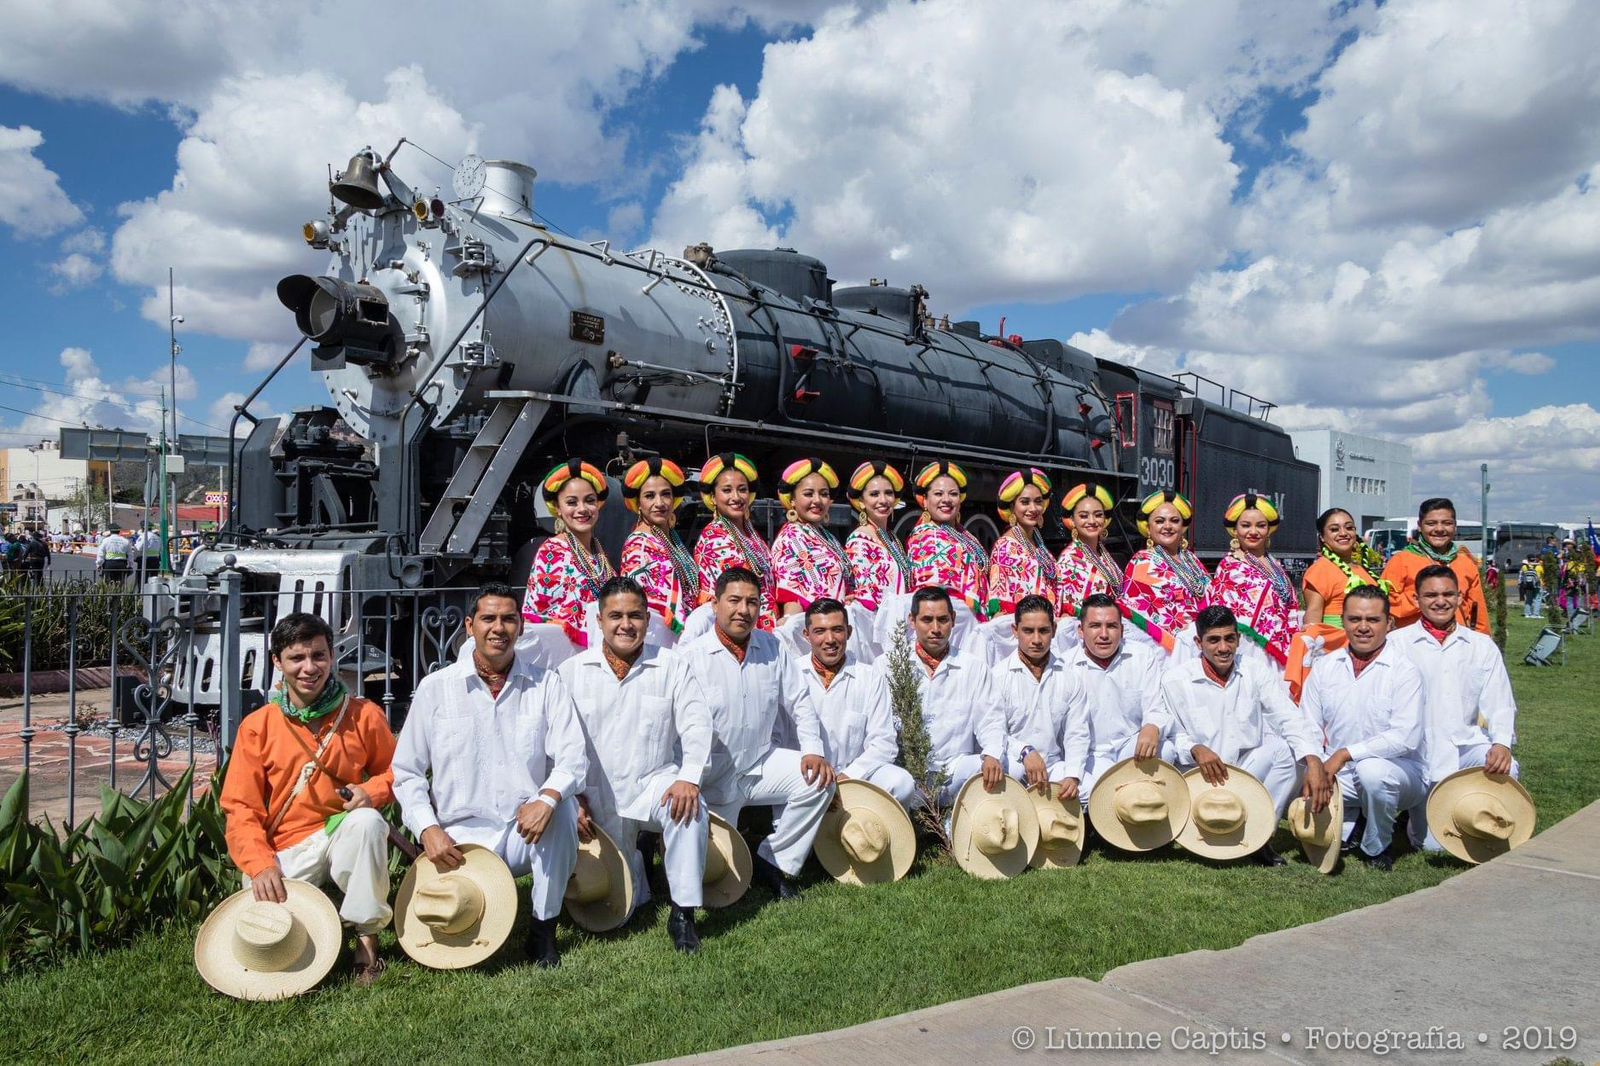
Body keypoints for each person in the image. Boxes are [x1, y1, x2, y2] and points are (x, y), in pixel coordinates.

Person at [393, 583, 588, 968]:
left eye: (509, 619)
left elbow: (573, 758)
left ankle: (542, 929)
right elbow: (406, 772)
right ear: (470, 626)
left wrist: (547, 799)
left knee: (562, 809)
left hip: (523, 830)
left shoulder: (546, 684)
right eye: (488, 618)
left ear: (521, 627)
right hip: (458, 839)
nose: (499, 628)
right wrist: (427, 828)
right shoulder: (436, 689)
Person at [219, 611, 396, 986]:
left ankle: (367, 942)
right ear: (277, 662)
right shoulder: (259, 726)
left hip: (341, 830)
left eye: (318, 656)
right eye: (297, 658)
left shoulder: (363, 715)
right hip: (285, 846)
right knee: (273, 930)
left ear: (332, 658)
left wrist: (371, 792)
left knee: (367, 823)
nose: (309, 668)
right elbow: (241, 808)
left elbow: (398, 773)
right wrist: (260, 864)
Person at [559, 577, 713, 953]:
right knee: (623, 908)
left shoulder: (672, 665)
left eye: (635, 616)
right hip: (595, 798)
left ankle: (683, 914)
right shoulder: (571, 672)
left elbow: (696, 724)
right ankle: (640, 864)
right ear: (599, 621)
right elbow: (556, 745)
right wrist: (572, 798)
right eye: (616, 616)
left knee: (690, 811)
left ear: (648, 620)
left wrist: (689, 778)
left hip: (652, 784)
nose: (625, 624)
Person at [680, 567, 836, 900]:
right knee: (714, 871)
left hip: (762, 762)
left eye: (752, 602)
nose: (743, 610)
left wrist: (812, 749)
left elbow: (800, 703)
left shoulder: (772, 647)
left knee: (820, 780)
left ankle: (774, 860)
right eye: (734, 600)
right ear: (715, 605)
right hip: (713, 776)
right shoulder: (691, 657)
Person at [1160, 604, 1331, 866]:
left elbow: (1287, 716)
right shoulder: (1175, 680)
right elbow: (1172, 734)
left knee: (1287, 751)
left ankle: (1260, 835)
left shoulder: (1254, 670)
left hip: (1248, 771)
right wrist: (1195, 748)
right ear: (1198, 642)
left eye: (1230, 638)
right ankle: (1209, 829)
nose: (1223, 648)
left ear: (1239, 639)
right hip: (1200, 774)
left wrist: (1314, 760)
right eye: (1213, 640)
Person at [1391, 564, 1519, 850]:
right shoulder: (1397, 644)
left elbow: (1500, 701)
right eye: (1431, 595)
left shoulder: (1481, 645)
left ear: (1460, 598)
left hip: (1465, 749)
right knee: (1433, 847)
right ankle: (1414, 819)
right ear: (1417, 599)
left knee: (1508, 769)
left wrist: (1502, 743)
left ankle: (1481, 817)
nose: (1440, 601)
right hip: (1417, 755)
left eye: (1448, 594)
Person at [1300, 586, 1427, 871]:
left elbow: (1405, 738)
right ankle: (1349, 821)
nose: (1363, 627)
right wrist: (1314, 763)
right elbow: (1307, 722)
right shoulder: (1326, 666)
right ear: (1342, 621)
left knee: (1373, 772)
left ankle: (1376, 845)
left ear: (1389, 623)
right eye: (1355, 619)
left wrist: (1344, 754)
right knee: (1291, 765)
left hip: (1399, 773)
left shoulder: (1404, 670)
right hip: (1339, 774)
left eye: (1373, 620)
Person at [885, 586, 1006, 806]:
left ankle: (970, 823)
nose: (935, 628)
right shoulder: (887, 666)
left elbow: (991, 720)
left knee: (1010, 769)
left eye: (942, 620)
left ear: (953, 620)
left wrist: (992, 753)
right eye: (927, 620)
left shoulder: (973, 667)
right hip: (908, 773)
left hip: (955, 770)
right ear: (912, 621)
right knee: (893, 781)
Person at [797, 597, 918, 807]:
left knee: (901, 782)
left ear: (849, 632)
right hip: (805, 776)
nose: (830, 639)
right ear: (806, 635)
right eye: (820, 631)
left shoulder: (870, 677)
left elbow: (884, 742)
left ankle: (884, 833)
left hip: (855, 776)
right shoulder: (793, 674)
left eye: (837, 630)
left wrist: (848, 776)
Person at [1068, 593, 1175, 804]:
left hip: (1132, 747)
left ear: (1122, 630)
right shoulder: (1066, 666)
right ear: (1081, 631)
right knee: (1098, 792)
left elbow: (1157, 705)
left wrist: (1153, 726)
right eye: (1095, 626)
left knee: (1167, 750)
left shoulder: (1142, 655)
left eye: (1112, 626)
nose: (1104, 634)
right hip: (1092, 754)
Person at [1283, 508, 1391, 703]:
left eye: (1348, 527)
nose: (1343, 533)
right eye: (1334, 529)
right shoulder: (1320, 570)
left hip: (1370, 648)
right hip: (1338, 654)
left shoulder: (1362, 569)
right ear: (1323, 538)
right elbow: (1313, 623)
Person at [997, 595, 1090, 806]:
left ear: (1054, 630)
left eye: (1044, 631)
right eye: (1028, 631)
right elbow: (993, 732)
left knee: (1089, 790)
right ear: (1015, 630)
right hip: (1014, 766)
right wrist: (1024, 751)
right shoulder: (998, 677)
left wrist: (1072, 775)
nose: (1037, 640)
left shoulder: (1069, 677)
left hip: (1053, 767)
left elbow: (1078, 733)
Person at [522, 459, 616, 651]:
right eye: (572, 502)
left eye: (590, 500)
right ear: (558, 507)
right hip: (567, 656)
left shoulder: (598, 551)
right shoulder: (553, 552)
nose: (582, 509)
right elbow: (542, 618)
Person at [1207, 493, 1299, 669]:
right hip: (1248, 647)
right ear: (1235, 530)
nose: (1253, 532)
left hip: (1280, 645)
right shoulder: (1230, 566)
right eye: (1246, 525)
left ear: (1268, 530)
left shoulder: (1273, 562)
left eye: (1261, 526)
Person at [906, 462, 993, 649]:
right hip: (950, 626)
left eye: (953, 494)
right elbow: (932, 588)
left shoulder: (964, 534)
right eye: (938, 494)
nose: (946, 499)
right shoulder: (924, 535)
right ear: (925, 500)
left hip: (972, 623)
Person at [618, 457, 700, 644]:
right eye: (649, 496)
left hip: (684, 638)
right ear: (638, 503)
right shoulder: (638, 544)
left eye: (665, 494)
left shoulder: (673, 539)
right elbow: (637, 601)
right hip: (658, 640)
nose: (660, 503)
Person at [692, 453, 777, 631]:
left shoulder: (751, 534)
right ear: (713, 497)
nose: (736, 497)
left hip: (764, 625)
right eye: (727, 490)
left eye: (742, 489)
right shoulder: (713, 538)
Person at [983, 468, 1060, 663]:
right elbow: (999, 600)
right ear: (1012, 507)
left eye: (1038, 501)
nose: (1032, 508)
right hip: (1021, 638)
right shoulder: (1005, 546)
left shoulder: (1038, 543)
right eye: (1025, 502)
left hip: (1046, 631)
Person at [1122, 489, 1210, 657]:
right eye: (1160, 521)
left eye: (1174, 521)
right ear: (1148, 527)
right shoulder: (1142, 562)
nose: (1167, 526)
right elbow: (1138, 618)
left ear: (1182, 526)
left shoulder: (1191, 559)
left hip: (1203, 645)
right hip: (1168, 653)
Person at [1381, 498, 1490, 633]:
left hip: (1457, 643)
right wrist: (1425, 597)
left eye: (1447, 523)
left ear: (1455, 527)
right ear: (1420, 526)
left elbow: (1478, 611)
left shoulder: (1465, 563)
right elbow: (1385, 604)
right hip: (1413, 644)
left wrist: (1483, 642)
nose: (1439, 529)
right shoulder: (1401, 561)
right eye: (1431, 523)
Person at [770, 458, 853, 615]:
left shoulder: (826, 536)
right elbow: (792, 598)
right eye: (808, 494)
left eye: (824, 494)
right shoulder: (790, 539)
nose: (817, 500)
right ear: (792, 500)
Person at [843, 460, 913, 614]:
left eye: (888, 493)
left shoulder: (891, 538)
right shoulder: (860, 541)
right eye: (874, 494)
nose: (883, 500)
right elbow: (864, 592)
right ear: (861, 501)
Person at [1054, 483, 1124, 623]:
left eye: (1098, 515)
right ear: (1073, 520)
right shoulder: (1070, 559)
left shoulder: (1102, 553)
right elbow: (1070, 615)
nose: (1092, 521)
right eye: (1084, 516)